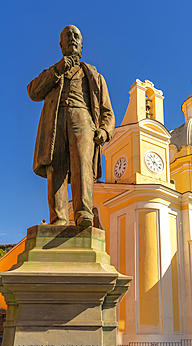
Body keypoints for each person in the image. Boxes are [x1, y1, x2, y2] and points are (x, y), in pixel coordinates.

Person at [27, 25, 115, 228]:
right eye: (68, 36)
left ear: (81, 45)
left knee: (82, 164)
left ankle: (83, 213)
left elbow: (107, 111)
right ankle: (58, 218)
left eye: (76, 36)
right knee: (55, 167)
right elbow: (33, 92)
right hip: (55, 121)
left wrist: (104, 130)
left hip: (83, 119)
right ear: (61, 44)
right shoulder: (52, 72)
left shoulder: (94, 76)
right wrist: (58, 68)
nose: (72, 39)